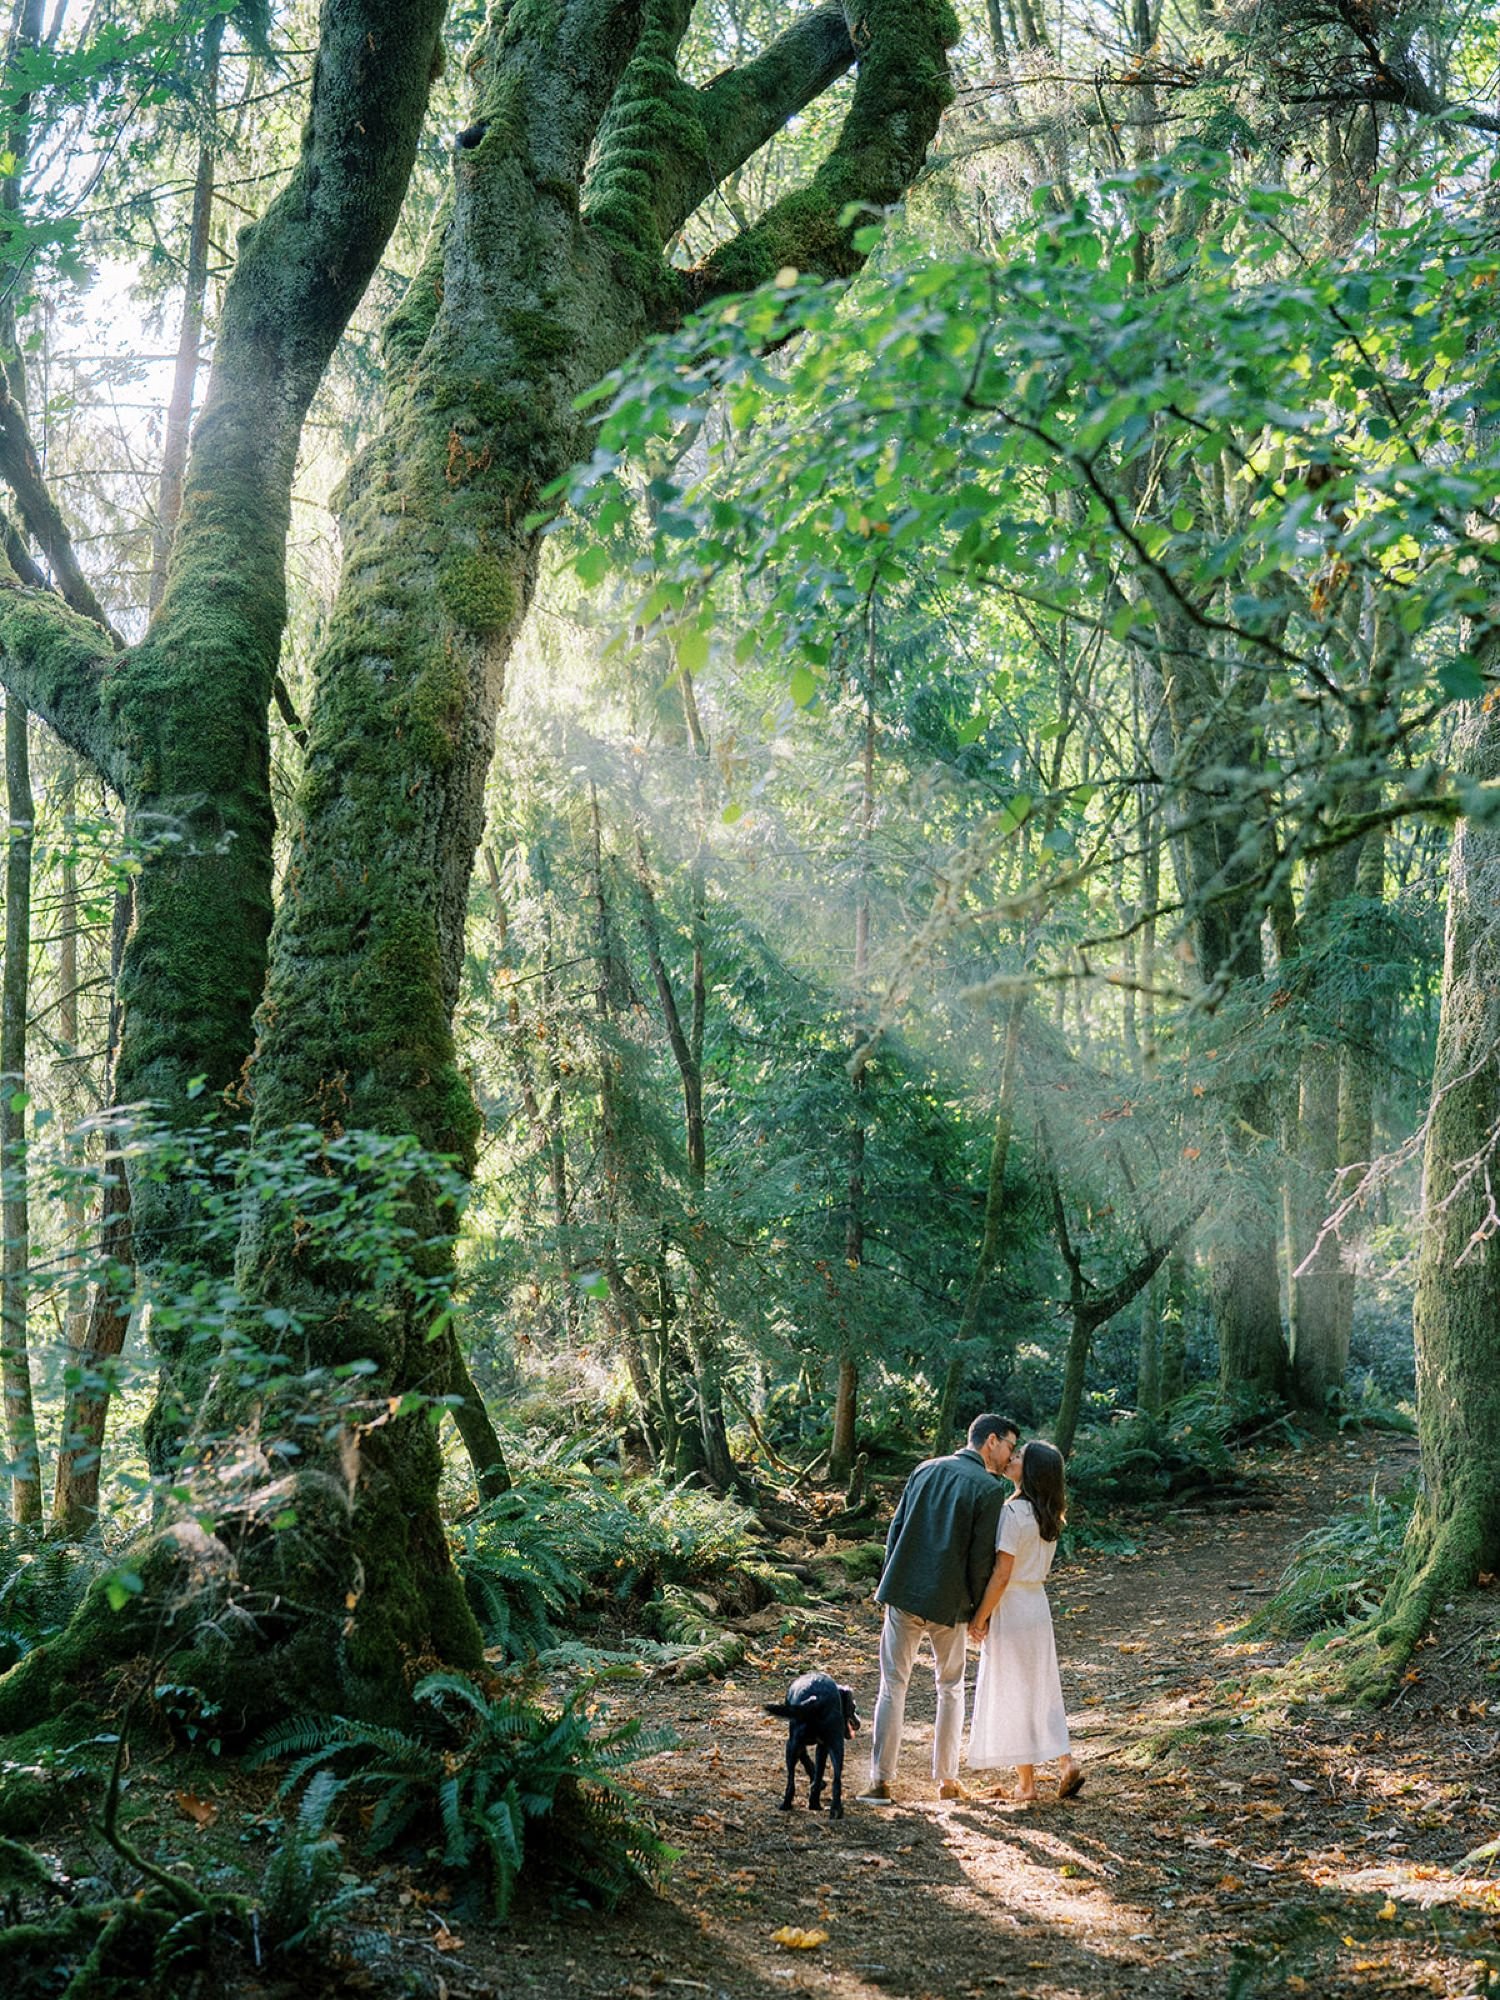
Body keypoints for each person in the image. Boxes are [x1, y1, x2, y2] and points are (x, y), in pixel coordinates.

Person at [857, 1413, 1018, 1804]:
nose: (1010, 1456)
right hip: (950, 1602)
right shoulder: (988, 1488)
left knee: (892, 1685)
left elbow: (895, 1531)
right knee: (950, 1687)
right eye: (1010, 1446)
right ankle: (947, 1780)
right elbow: (982, 1559)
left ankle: (880, 1780)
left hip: (904, 1592)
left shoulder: (925, 1470)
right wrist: (981, 1612)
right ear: (991, 1441)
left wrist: (889, 1582)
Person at [965, 1438, 1082, 1804]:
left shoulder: (1013, 1515)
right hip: (1037, 1605)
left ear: (1029, 1471)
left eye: (1018, 1457)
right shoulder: (1049, 1517)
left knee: (1013, 1690)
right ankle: (1065, 1761)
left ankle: (1027, 1784)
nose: (1011, 1459)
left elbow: (1001, 1574)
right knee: (1042, 1686)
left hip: (1012, 1605)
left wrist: (979, 1617)